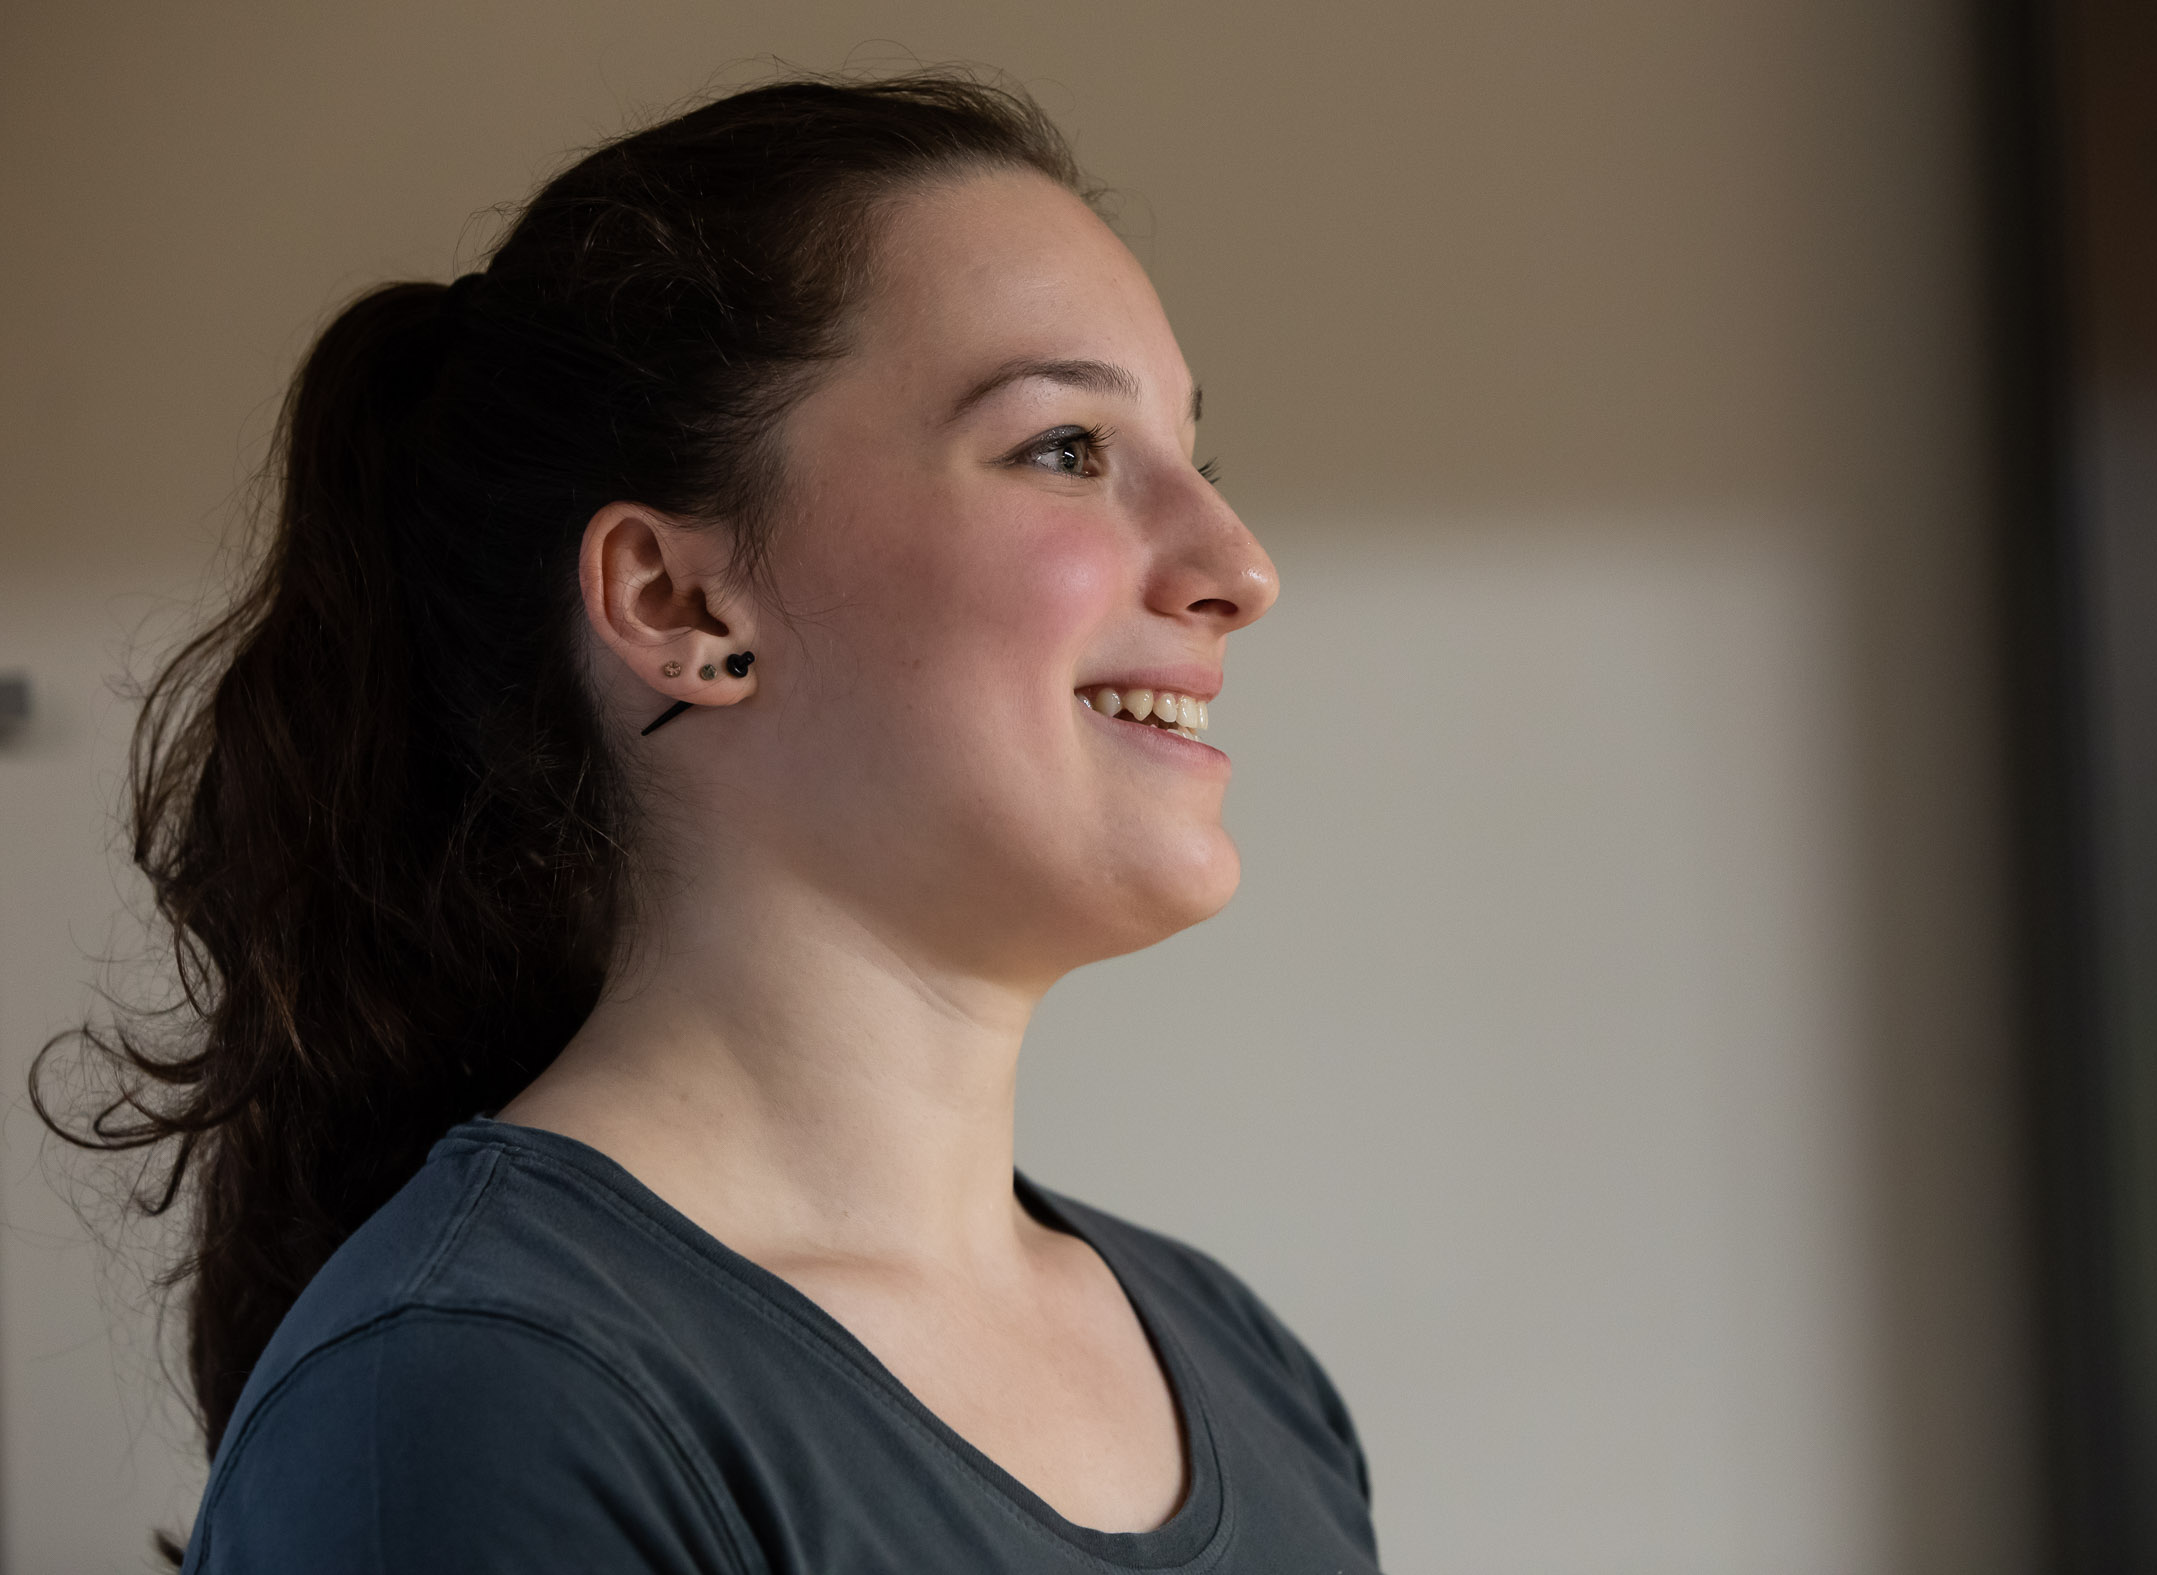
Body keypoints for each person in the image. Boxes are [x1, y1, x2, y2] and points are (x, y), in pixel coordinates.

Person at [39, 74, 1378, 1572]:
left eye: (1198, 459)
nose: (1238, 568)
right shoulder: (479, 1397)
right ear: (680, 603)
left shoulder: (1241, 1365)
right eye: (1064, 448)